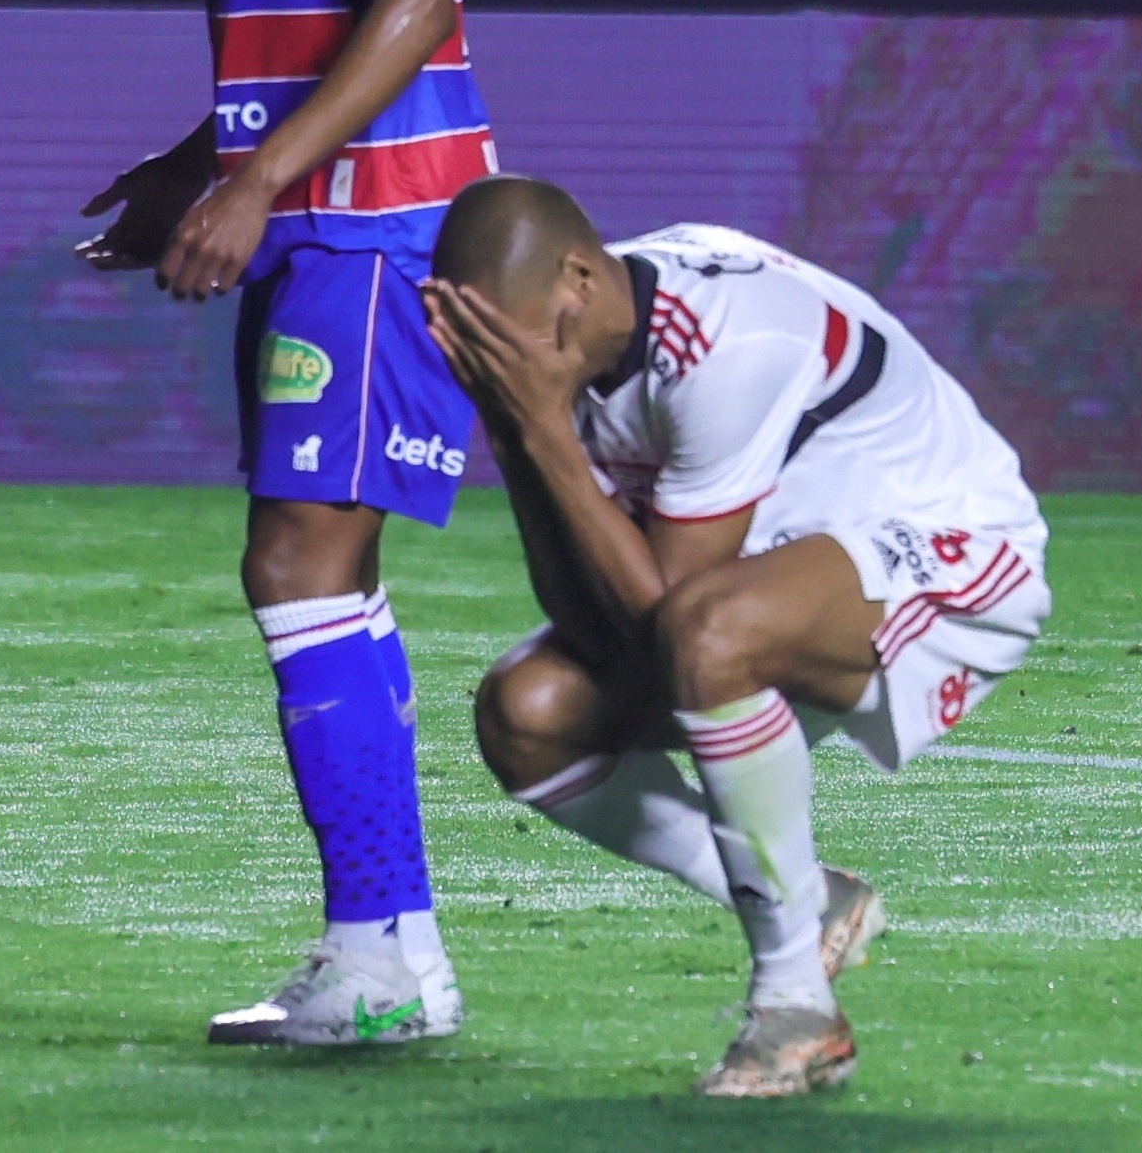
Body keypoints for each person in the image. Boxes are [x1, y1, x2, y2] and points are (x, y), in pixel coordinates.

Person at [78, 0, 496, 1046]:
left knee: (297, 566)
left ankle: (385, 958)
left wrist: (256, 192)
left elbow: (415, 0)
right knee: (324, 577)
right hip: (318, 216)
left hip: (376, 225)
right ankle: (388, 951)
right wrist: (206, 162)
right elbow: (309, 25)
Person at [422, 178, 1051, 1097]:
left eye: (519, 340)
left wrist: (543, 432)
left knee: (708, 635)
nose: (512, 365)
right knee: (530, 711)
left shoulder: (727, 340)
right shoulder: (558, 351)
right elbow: (590, 613)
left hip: (950, 557)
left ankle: (796, 1004)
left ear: (581, 276)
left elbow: (664, 622)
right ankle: (816, 902)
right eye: (487, 353)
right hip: (770, 581)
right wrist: (522, 436)